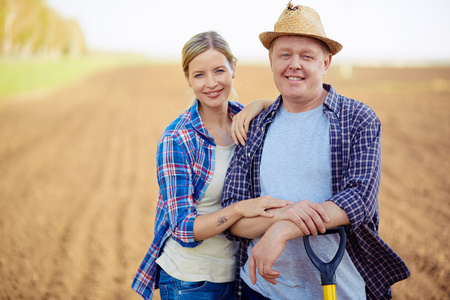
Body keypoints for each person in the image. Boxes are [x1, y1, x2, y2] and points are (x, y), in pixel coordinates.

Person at [222, 3, 410, 300]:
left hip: (338, 290)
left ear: (326, 62)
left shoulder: (358, 118)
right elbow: (233, 214)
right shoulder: (254, 124)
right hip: (262, 290)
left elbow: (359, 200)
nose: (294, 64)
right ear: (271, 60)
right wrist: (285, 216)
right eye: (284, 54)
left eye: (306, 56)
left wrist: (283, 229)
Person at [131, 31, 290, 300]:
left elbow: (287, 108)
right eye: (199, 75)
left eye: (219, 70)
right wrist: (240, 208)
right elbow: (182, 227)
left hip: (242, 277)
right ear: (188, 79)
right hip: (191, 281)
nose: (211, 83)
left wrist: (259, 104)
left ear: (233, 69)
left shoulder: (248, 121)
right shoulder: (177, 139)